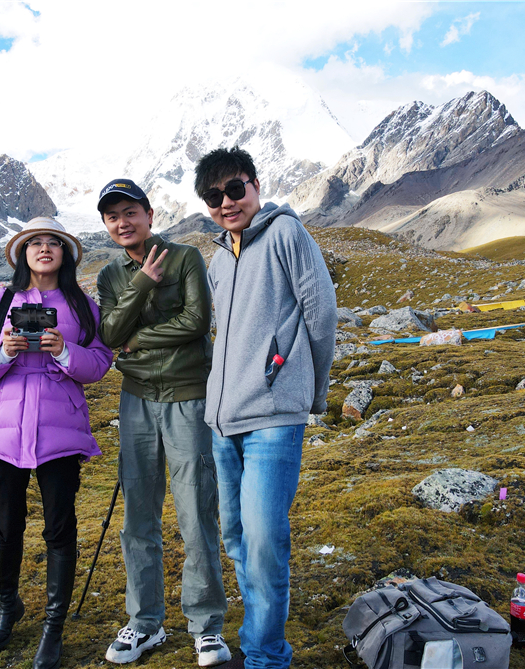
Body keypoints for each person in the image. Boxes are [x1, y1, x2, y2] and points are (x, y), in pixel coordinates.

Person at [194, 147, 337, 669]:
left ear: (254, 185)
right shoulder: (216, 258)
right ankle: (260, 640)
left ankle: (265, 656)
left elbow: (321, 312)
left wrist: (310, 391)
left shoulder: (285, 234)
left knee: (263, 538)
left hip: (274, 417)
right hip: (222, 420)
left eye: (234, 190)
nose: (226, 203)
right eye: (214, 197)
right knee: (236, 536)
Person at [0, 217, 113, 669]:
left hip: (60, 432)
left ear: (65, 254)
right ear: (21, 253)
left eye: (53, 243)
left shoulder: (83, 307)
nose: (44, 249)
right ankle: (9, 607)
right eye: (35, 243)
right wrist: (2, 352)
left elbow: (100, 363)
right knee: (7, 525)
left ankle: (53, 625)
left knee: (59, 528)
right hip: (4, 431)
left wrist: (63, 350)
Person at [95, 179, 230, 666]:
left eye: (130, 212)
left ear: (149, 214)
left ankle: (206, 625)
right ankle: (144, 623)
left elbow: (197, 323)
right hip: (135, 402)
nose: (122, 222)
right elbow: (109, 333)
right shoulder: (111, 274)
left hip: (187, 396)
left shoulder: (185, 258)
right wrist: (142, 285)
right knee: (138, 518)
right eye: (113, 217)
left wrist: (137, 342)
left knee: (196, 511)